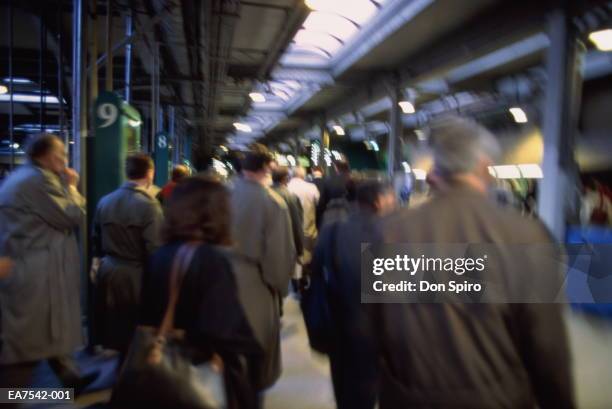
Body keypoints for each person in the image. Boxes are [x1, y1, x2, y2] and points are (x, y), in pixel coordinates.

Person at [374, 116, 575, 409]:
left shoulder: (392, 233)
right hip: (495, 399)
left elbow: (376, 325)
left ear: (438, 168)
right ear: (483, 166)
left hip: (408, 397)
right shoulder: (522, 234)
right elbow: (546, 345)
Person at [138, 176, 262, 409]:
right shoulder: (212, 260)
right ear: (216, 213)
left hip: (162, 369)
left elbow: (147, 314)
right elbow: (226, 330)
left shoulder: (160, 255)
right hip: (199, 374)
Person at [0, 133, 96, 392]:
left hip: (26, 268)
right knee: (26, 347)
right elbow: (71, 215)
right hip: (36, 275)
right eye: (61, 153)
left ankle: (70, 379)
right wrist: (73, 187)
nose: (65, 158)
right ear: (44, 155)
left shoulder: (20, 176)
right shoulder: (39, 180)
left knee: (43, 335)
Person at [311, 180, 396, 409]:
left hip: (338, 328)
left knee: (347, 394)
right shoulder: (391, 234)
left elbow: (315, 279)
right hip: (380, 335)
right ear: (379, 202)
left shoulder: (332, 231)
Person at [229, 144, 296, 391]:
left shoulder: (223, 193)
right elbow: (278, 257)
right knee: (254, 364)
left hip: (217, 283)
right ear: (266, 167)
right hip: (255, 285)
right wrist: (279, 289)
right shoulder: (272, 203)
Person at [91, 153, 164, 361]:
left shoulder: (105, 201)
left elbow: (95, 238)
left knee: (113, 327)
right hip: (136, 276)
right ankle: (129, 379)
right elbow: (155, 249)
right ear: (150, 174)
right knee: (133, 331)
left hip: (108, 271)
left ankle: (117, 371)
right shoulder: (149, 206)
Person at [288, 166, 320, 269]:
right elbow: (318, 202)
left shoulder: (286, 188)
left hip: (291, 230)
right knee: (309, 257)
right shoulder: (311, 187)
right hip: (309, 229)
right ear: (303, 175)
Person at [272, 167, 304, 266]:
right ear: (286, 178)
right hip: (286, 246)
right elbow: (296, 224)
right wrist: (300, 250)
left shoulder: (264, 193)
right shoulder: (291, 197)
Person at [316, 159, 352, 228]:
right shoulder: (354, 180)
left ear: (336, 168)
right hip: (351, 218)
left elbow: (322, 204)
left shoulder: (329, 181)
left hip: (333, 219)